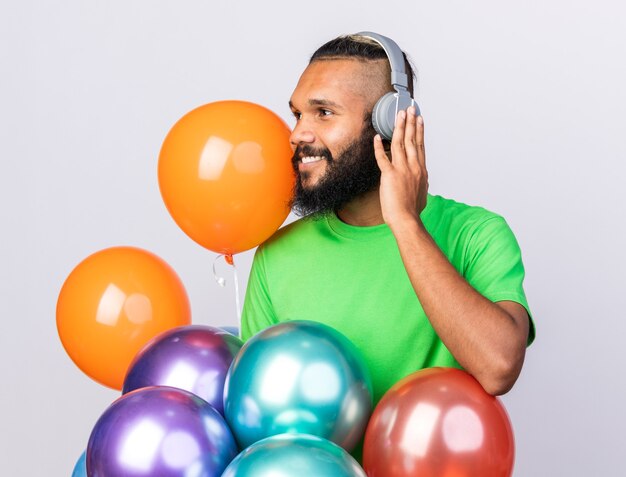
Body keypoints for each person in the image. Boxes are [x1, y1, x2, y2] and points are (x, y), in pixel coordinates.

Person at [241, 33, 535, 403]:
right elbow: (254, 406)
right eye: (298, 114)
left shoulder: (477, 234)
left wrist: (406, 223)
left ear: (389, 122)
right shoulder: (276, 256)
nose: (298, 133)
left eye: (324, 112)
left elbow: (498, 368)